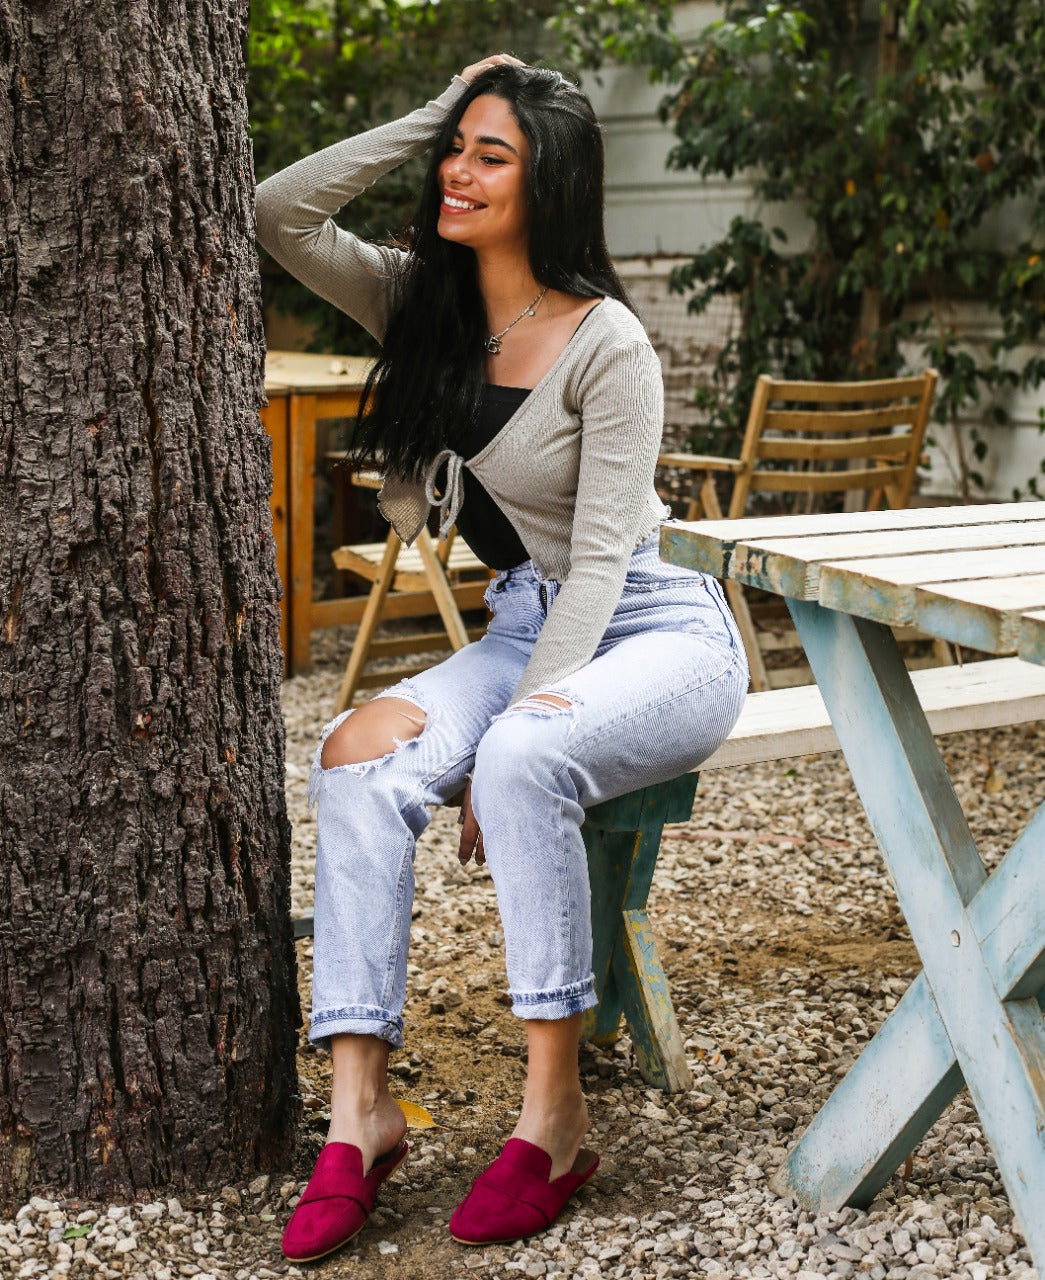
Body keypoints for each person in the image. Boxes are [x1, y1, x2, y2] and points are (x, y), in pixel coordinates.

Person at [255, 53, 748, 1262]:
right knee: (353, 748)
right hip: (530, 619)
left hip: (653, 624)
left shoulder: (607, 343)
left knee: (523, 753)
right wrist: (435, 109)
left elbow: (598, 566)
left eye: (491, 155)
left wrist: (513, 729)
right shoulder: (418, 301)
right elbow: (275, 211)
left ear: (552, 184)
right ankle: (359, 1111)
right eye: (453, 148)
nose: (455, 172)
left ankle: (554, 1119)